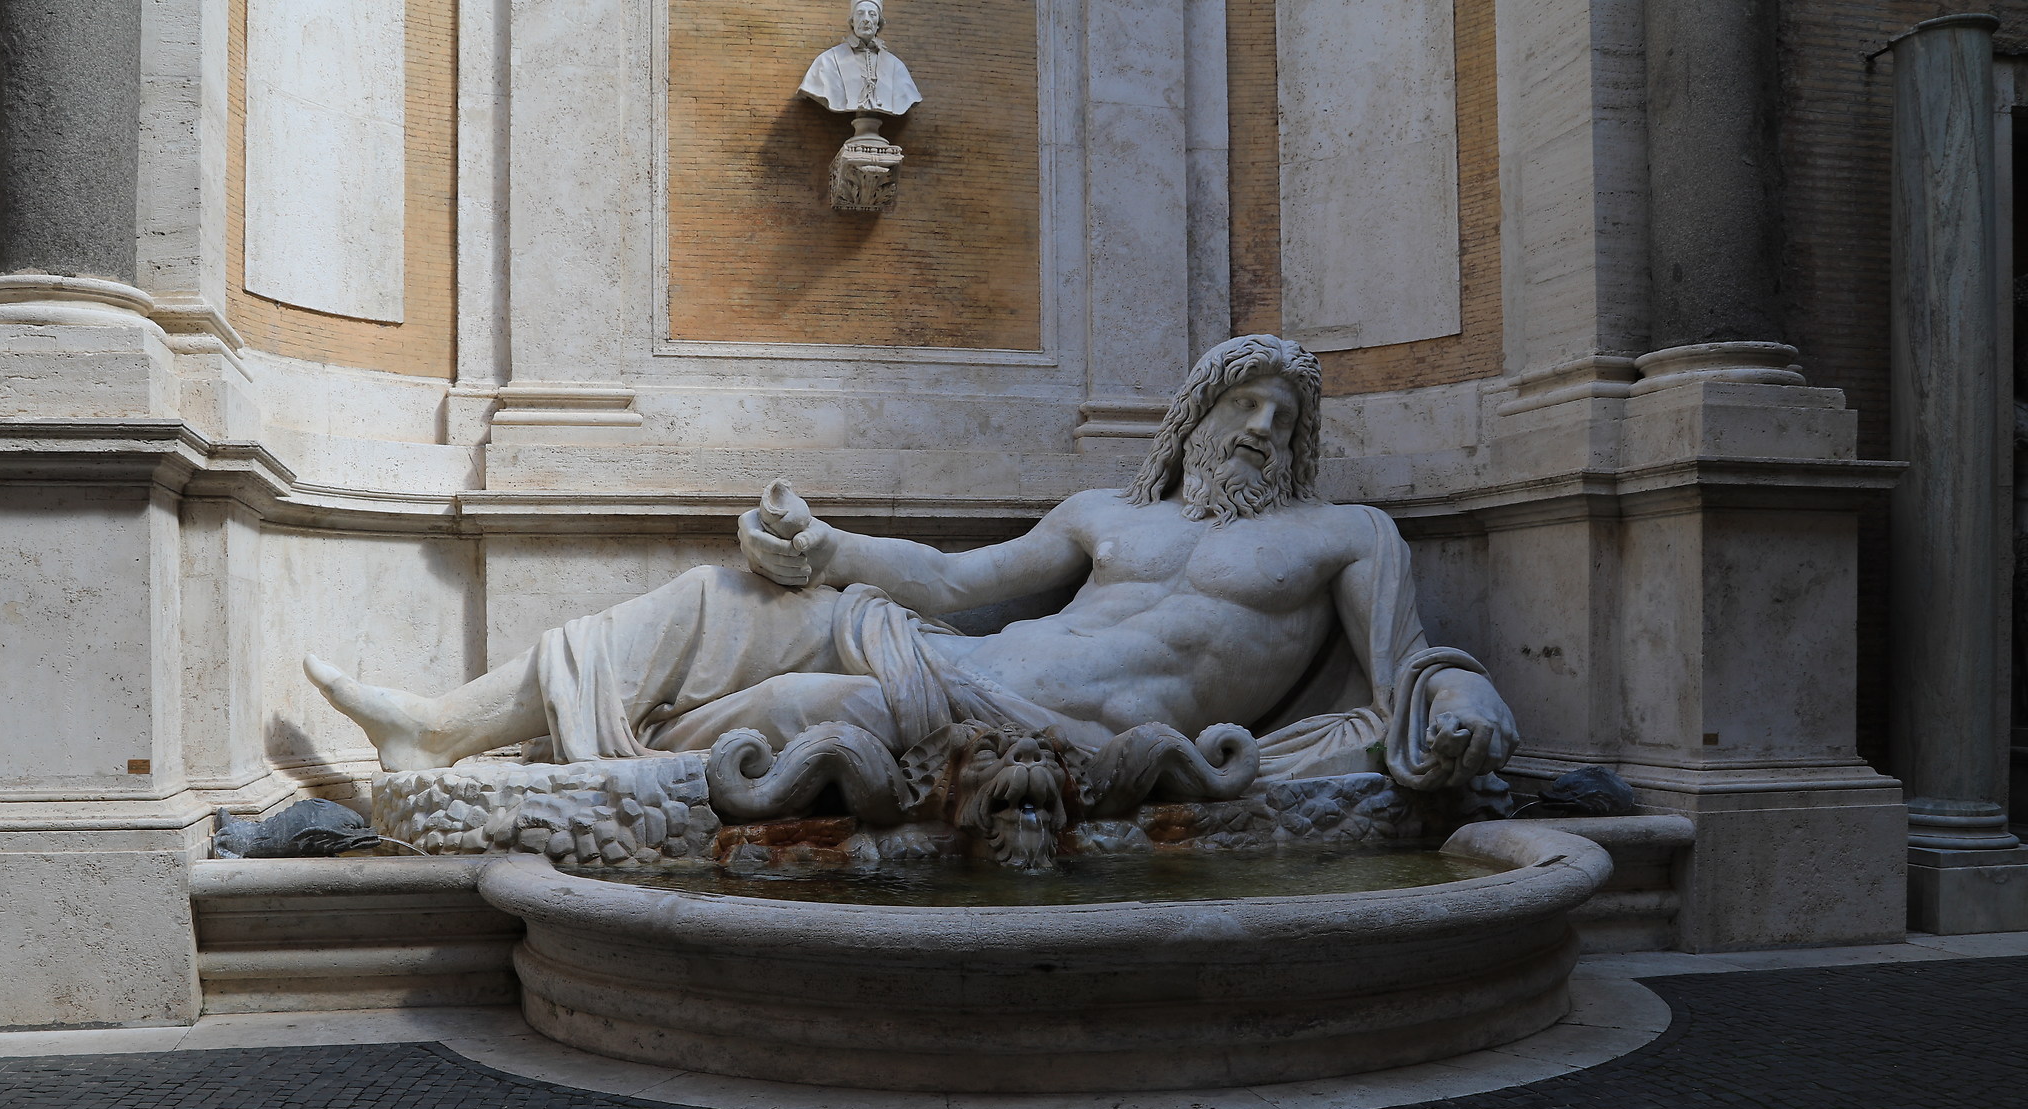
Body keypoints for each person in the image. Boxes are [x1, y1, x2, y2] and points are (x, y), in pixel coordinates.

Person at [306, 334, 1518, 789]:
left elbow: (1411, 670)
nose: (1262, 428)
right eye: (1241, 404)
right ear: (1194, 418)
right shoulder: (1110, 514)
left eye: (1283, 414)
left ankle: (599, 779)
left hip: (1060, 737)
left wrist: (1465, 703)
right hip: (966, 662)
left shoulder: (1343, 536)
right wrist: (826, 544)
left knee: (782, 706)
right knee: (717, 593)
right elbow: (952, 583)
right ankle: (445, 732)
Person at [798, 0, 923, 117]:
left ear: (879, 23)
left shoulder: (896, 66)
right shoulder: (828, 61)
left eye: (872, 14)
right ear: (852, 21)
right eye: (860, 13)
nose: (866, 19)